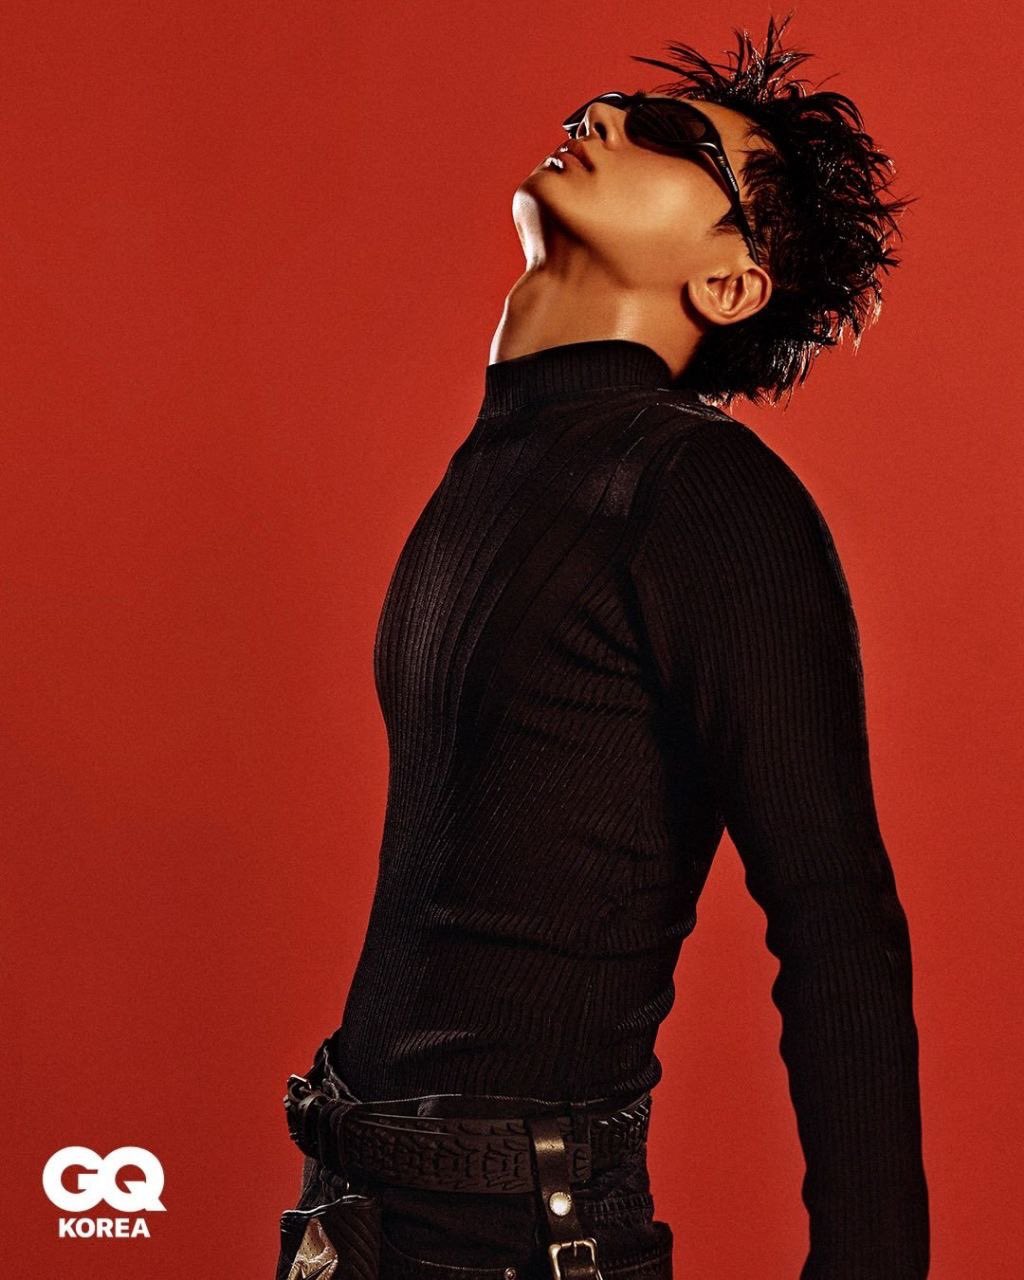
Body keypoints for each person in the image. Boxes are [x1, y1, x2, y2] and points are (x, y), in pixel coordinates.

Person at [277, 13, 929, 1279]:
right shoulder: (509, 457)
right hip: (354, 1211)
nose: (608, 115)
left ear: (729, 284)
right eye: (619, 105)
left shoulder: (702, 489)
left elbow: (837, 915)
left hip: (509, 1237)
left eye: (676, 136)